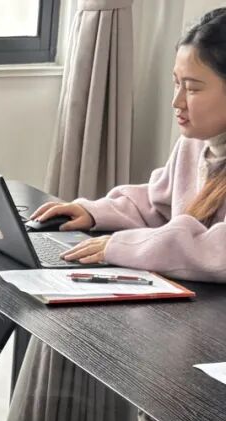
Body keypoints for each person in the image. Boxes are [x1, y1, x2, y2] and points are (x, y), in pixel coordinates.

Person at [33, 8, 226, 279]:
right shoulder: (193, 144)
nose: (177, 101)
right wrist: (94, 212)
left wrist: (123, 246)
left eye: (192, 88)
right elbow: (158, 206)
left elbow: (216, 251)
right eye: (176, 84)